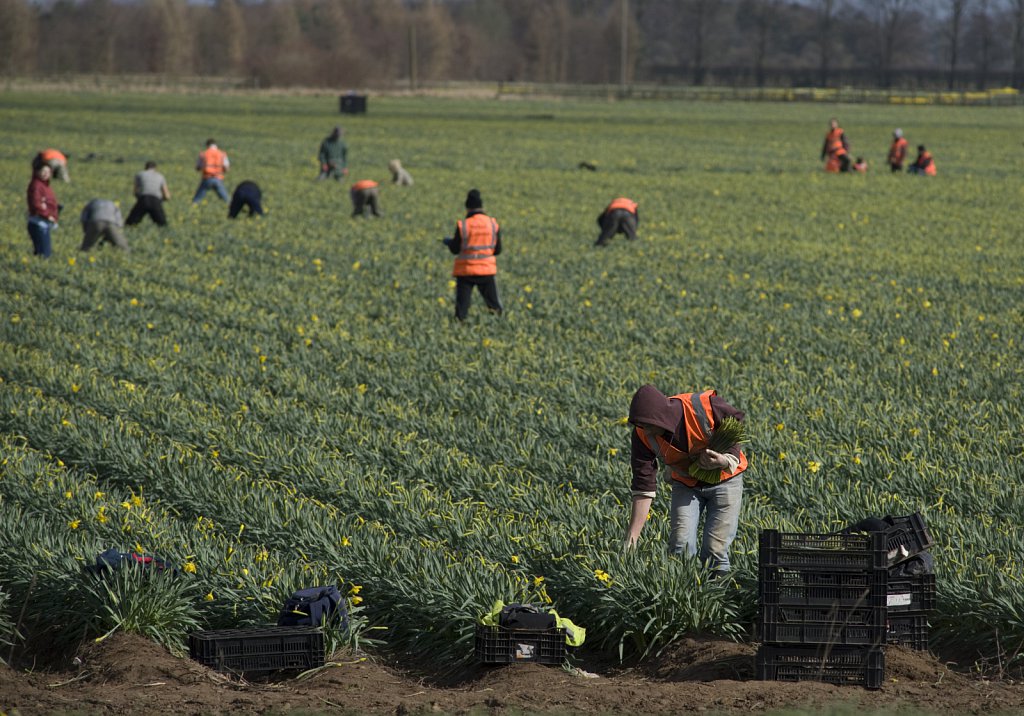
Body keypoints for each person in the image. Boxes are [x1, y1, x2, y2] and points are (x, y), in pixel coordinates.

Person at [625, 385, 748, 577]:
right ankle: (684, 590)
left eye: (648, 425)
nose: (645, 430)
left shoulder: (702, 406)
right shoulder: (642, 434)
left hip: (726, 480)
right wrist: (632, 538)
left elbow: (736, 421)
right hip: (686, 483)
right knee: (680, 544)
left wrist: (725, 460)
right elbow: (643, 486)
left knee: (715, 548)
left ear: (659, 417)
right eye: (641, 425)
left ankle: (717, 592)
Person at [443, 189, 503, 321]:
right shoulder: (492, 224)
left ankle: (460, 326)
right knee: (494, 307)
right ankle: (499, 325)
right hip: (486, 271)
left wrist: (449, 242)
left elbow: (455, 249)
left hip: (466, 271)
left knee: (461, 311)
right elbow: (498, 250)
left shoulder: (464, 225)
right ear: (482, 206)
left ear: (468, 207)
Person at [26, 156, 60, 258]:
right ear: (37, 172)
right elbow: (36, 204)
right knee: (44, 255)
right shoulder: (37, 186)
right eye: (43, 171)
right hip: (39, 222)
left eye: (48, 172)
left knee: (42, 253)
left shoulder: (44, 185)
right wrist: (48, 215)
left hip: (43, 223)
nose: (46, 174)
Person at [126, 160, 170, 227]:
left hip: (144, 199)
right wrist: (162, 200)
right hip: (155, 201)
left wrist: (139, 199)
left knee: (130, 224)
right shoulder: (160, 176)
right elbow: (167, 195)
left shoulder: (139, 174)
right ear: (155, 168)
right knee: (163, 226)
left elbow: (135, 191)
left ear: (145, 167)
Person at [192, 138, 230, 204]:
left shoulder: (204, 154)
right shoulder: (222, 154)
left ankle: (194, 205)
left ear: (207, 145)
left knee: (197, 200)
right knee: (226, 200)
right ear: (216, 145)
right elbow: (226, 168)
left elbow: (198, 167)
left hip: (207, 178)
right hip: (218, 178)